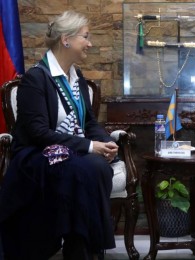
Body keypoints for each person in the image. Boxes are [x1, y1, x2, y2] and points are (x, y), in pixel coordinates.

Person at [0, 11, 118, 260]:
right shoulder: (36, 78)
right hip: (36, 154)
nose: (90, 43)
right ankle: (84, 247)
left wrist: (104, 142)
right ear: (66, 39)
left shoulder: (77, 77)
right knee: (86, 167)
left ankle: (83, 246)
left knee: (94, 166)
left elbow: (89, 121)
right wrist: (88, 146)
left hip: (68, 152)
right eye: (85, 37)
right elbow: (38, 133)